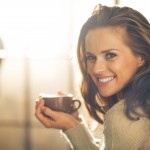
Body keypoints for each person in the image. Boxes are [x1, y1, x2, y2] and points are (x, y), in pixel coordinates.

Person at [35, 4, 150, 150]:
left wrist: (71, 125)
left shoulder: (125, 116)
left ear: (141, 57)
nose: (96, 69)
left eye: (110, 55)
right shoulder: (142, 107)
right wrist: (73, 124)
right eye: (91, 57)